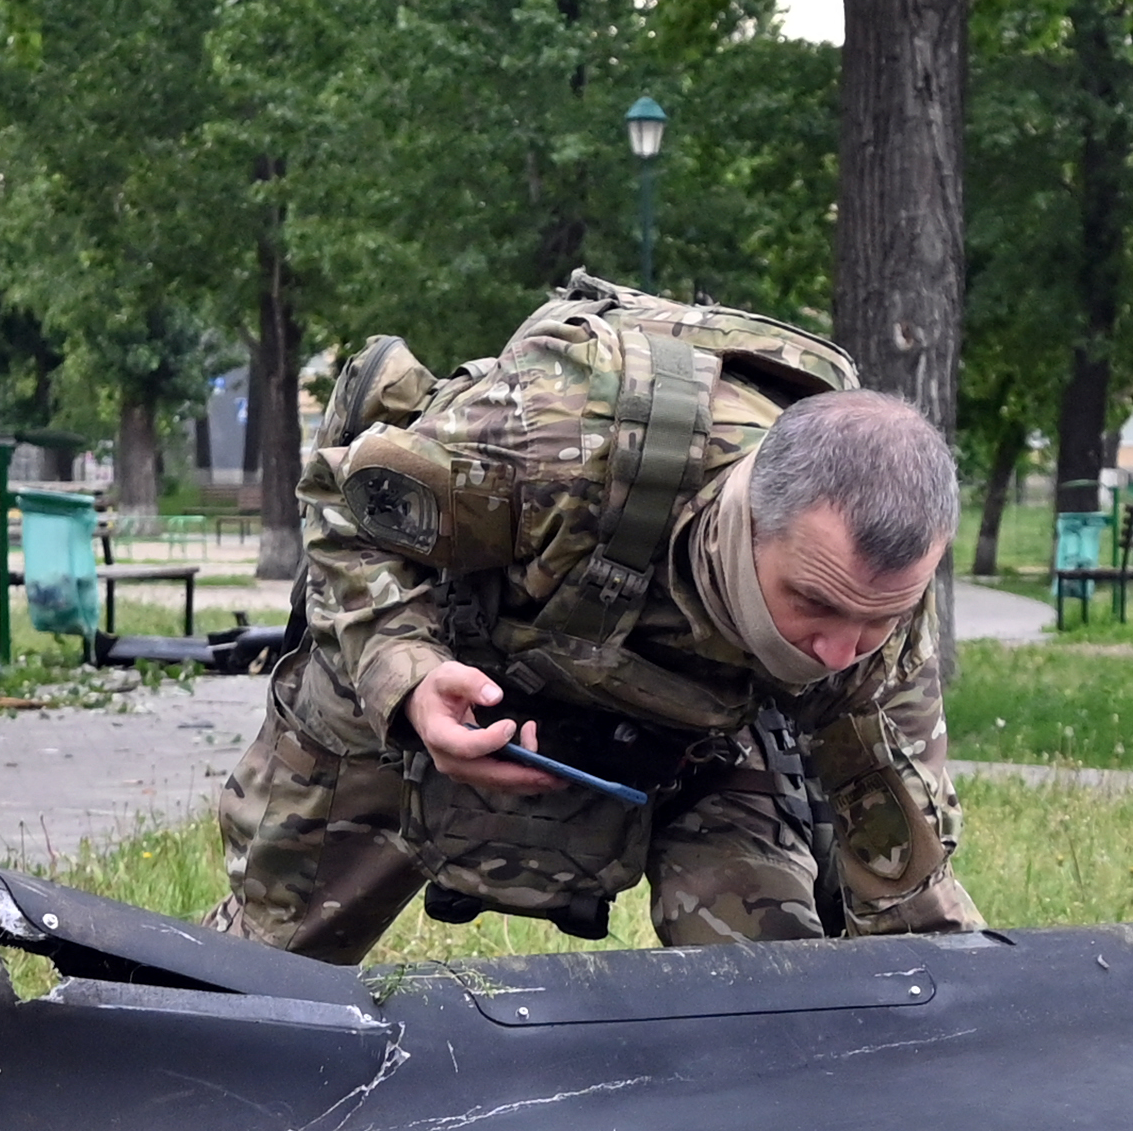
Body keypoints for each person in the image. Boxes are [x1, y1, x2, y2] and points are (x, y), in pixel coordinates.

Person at [217, 274, 981, 956]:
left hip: (693, 740)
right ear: (749, 519)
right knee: (266, 974)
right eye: (812, 603)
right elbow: (341, 506)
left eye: (877, 619)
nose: (839, 651)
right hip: (451, 653)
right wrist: (408, 678)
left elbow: (899, 851)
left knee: (773, 992)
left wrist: (961, 1013)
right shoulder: (559, 443)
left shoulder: (878, 609)